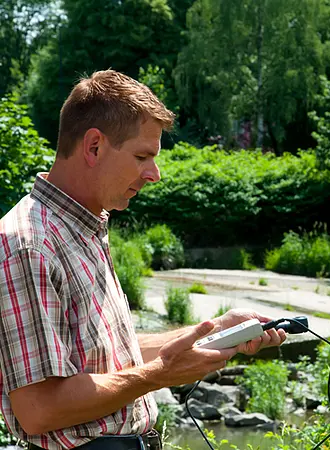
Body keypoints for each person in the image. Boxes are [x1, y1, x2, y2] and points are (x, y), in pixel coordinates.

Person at [0, 70, 286, 450]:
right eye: (142, 156)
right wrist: (159, 375)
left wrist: (214, 331)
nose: (155, 174)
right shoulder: (28, 243)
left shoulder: (84, 226)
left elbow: (102, 358)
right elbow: (39, 408)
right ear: (94, 147)